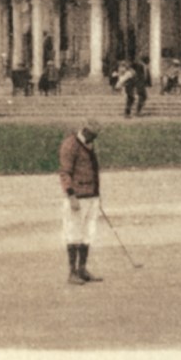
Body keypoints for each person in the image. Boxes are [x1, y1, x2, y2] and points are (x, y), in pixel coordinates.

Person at [59, 118, 105, 285]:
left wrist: (96, 196)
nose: (94, 138)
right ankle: (72, 273)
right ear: (85, 131)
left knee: (88, 234)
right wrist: (71, 196)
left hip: (91, 196)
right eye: (92, 134)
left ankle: (82, 269)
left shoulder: (90, 144)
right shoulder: (70, 145)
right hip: (77, 198)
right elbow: (65, 172)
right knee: (73, 234)